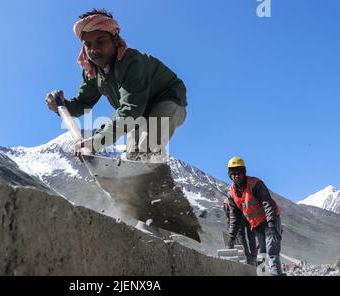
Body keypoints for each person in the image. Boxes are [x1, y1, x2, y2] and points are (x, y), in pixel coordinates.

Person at [45, 9, 187, 161]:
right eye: (88, 44)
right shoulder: (92, 73)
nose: (94, 49)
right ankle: (163, 184)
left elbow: (131, 109)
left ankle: (160, 182)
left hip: (167, 99)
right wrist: (61, 106)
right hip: (138, 113)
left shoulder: (131, 62)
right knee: (134, 160)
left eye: (101, 41)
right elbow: (82, 104)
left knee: (145, 150)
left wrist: (96, 141)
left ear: (115, 39)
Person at [226, 156, 284, 276]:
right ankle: (262, 274)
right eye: (233, 173)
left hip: (270, 221)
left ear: (244, 172)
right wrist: (231, 237)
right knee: (261, 253)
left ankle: (276, 274)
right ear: (230, 175)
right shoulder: (231, 194)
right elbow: (234, 218)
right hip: (257, 225)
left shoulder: (255, 184)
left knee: (271, 250)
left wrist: (272, 225)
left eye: (239, 172)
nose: (237, 175)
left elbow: (268, 204)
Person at [222, 198, 257, 265]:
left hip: (239, 215)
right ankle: (253, 257)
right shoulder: (244, 195)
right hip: (249, 213)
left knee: (241, 236)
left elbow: (228, 217)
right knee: (251, 236)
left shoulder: (226, 201)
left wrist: (230, 225)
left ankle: (248, 257)